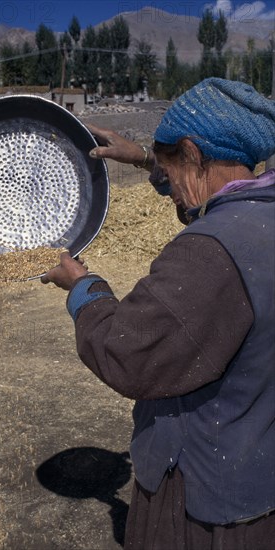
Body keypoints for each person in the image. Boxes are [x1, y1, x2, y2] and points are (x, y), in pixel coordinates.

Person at [41, 78, 275, 549]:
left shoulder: (208, 254)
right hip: (259, 472)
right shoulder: (261, 215)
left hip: (207, 499)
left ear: (192, 153)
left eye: (168, 170)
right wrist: (147, 158)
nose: (167, 192)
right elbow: (209, 195)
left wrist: (84, 288)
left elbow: (128, 353)